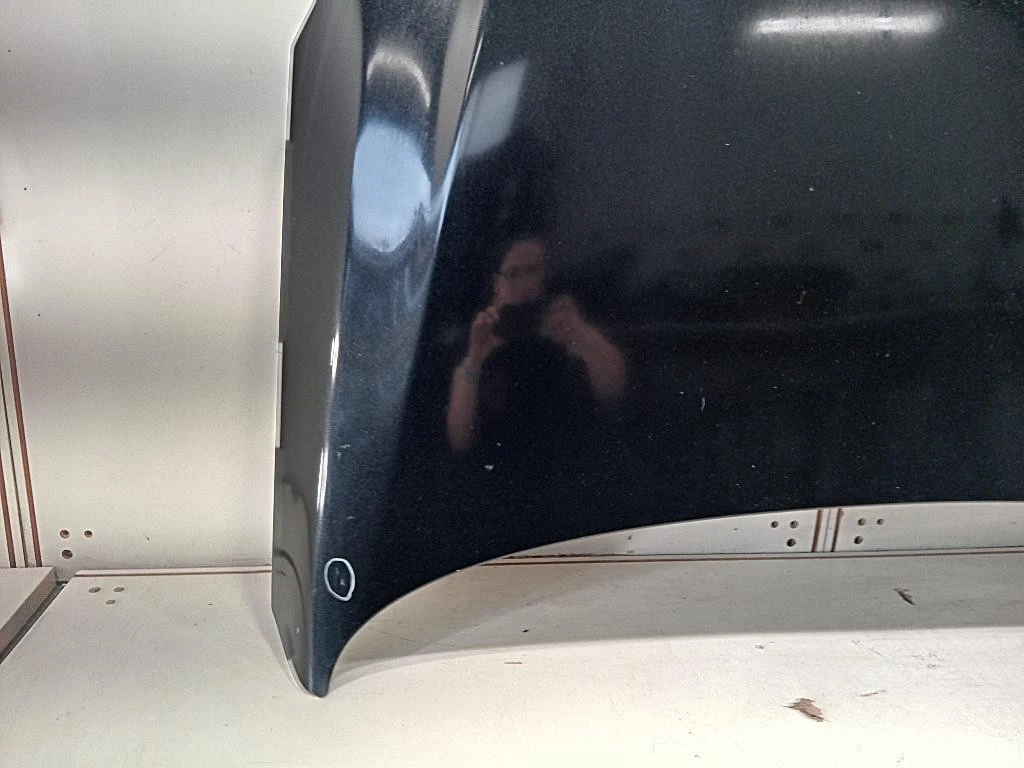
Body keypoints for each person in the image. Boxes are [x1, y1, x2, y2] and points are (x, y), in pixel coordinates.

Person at [446, 237, 626, 453]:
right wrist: (476, 358)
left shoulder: (569, 324)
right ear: (497, 283)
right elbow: (460, 440)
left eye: (532, 271)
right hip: (497, 461)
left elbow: (614, 395)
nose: (524, 284)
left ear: (547, 277)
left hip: (567, 453)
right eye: (513, 274)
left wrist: (581, 335)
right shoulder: (477, 337)